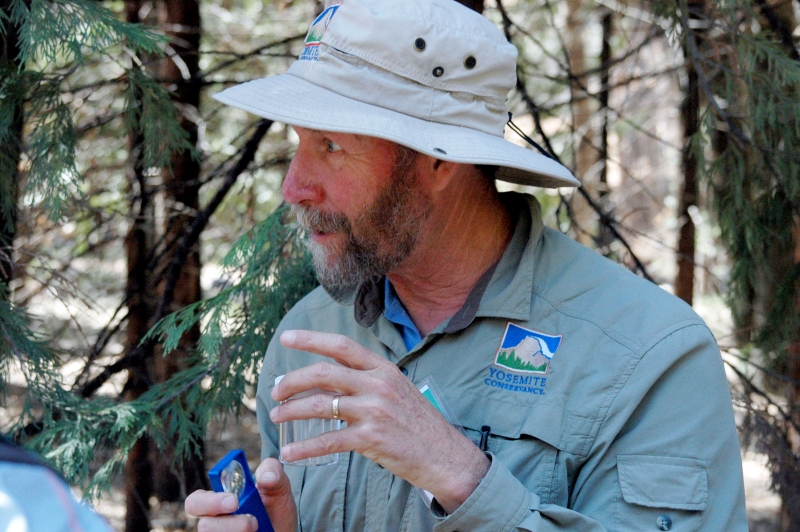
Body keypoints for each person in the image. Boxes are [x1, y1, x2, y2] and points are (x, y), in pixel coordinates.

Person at [186, 0, 748, 530]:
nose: (294, 187)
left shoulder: (649, 357)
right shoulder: (307, 339)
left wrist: (462, 478)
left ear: (437, 158)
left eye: (331, 146)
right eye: (299, 143)